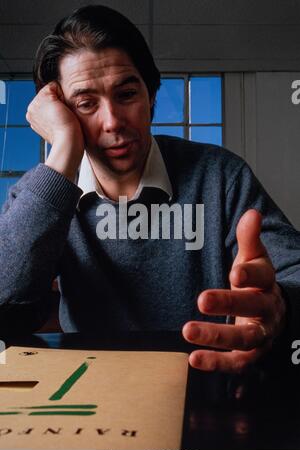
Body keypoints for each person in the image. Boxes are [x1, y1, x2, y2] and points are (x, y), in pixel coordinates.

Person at [1, 4, 300, 374]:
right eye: (85, 104)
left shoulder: (220, 175)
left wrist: (279, 304)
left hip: (207, 381)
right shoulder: (46, 192)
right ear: (60, 112)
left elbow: (294, 273)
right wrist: (63, 150)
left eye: (126, 95)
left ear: (151, 94)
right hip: (90, 392)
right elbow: (6, 309)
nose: (112, 122)